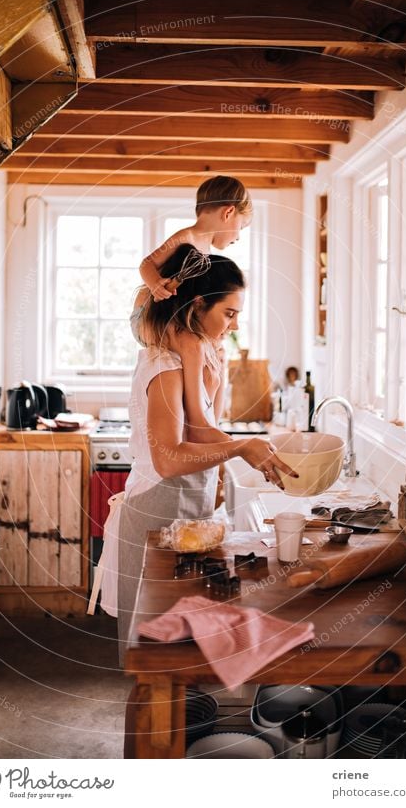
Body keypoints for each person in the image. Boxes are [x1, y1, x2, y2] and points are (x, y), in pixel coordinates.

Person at [112, 244, 297, 663]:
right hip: (156, 514)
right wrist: (239, 447)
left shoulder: (193, 352)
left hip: (184, 515)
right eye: (228, 314)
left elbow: (200, 427)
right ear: (198, 304)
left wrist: (246, 451)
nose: (233, 326)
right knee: (153, 660)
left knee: (186, 655)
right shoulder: (164, 367)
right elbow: (169, 459)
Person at [130, 175, 252, 437]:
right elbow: (146, 264)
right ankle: (199, 423)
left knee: (219, 355)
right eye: (241, 226)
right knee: (195, 346)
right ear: (229, 212)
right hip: (146, 319)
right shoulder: (186, 238)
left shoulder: (208, 252)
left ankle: (211, 427)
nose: (238, 237)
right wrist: (155, 285)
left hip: (173, 321)